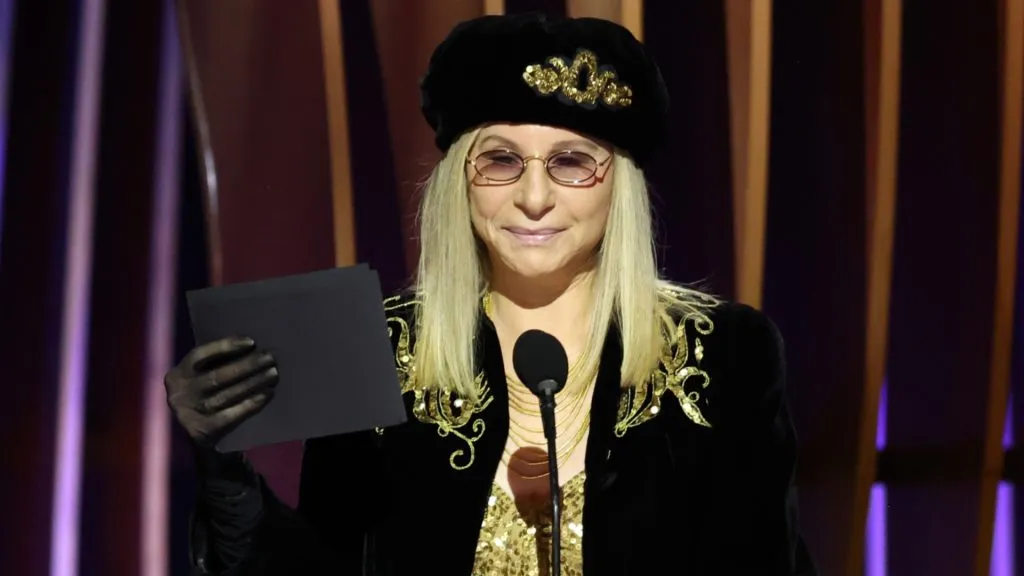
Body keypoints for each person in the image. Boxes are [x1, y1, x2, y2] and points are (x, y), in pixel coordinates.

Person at [165, 12, 817, 576]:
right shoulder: (381, 346)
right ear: (460, 181)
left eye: (571, 162)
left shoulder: (722, 352)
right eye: (501, 160)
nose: (533, 199)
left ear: (618, 184)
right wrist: (223, 467)